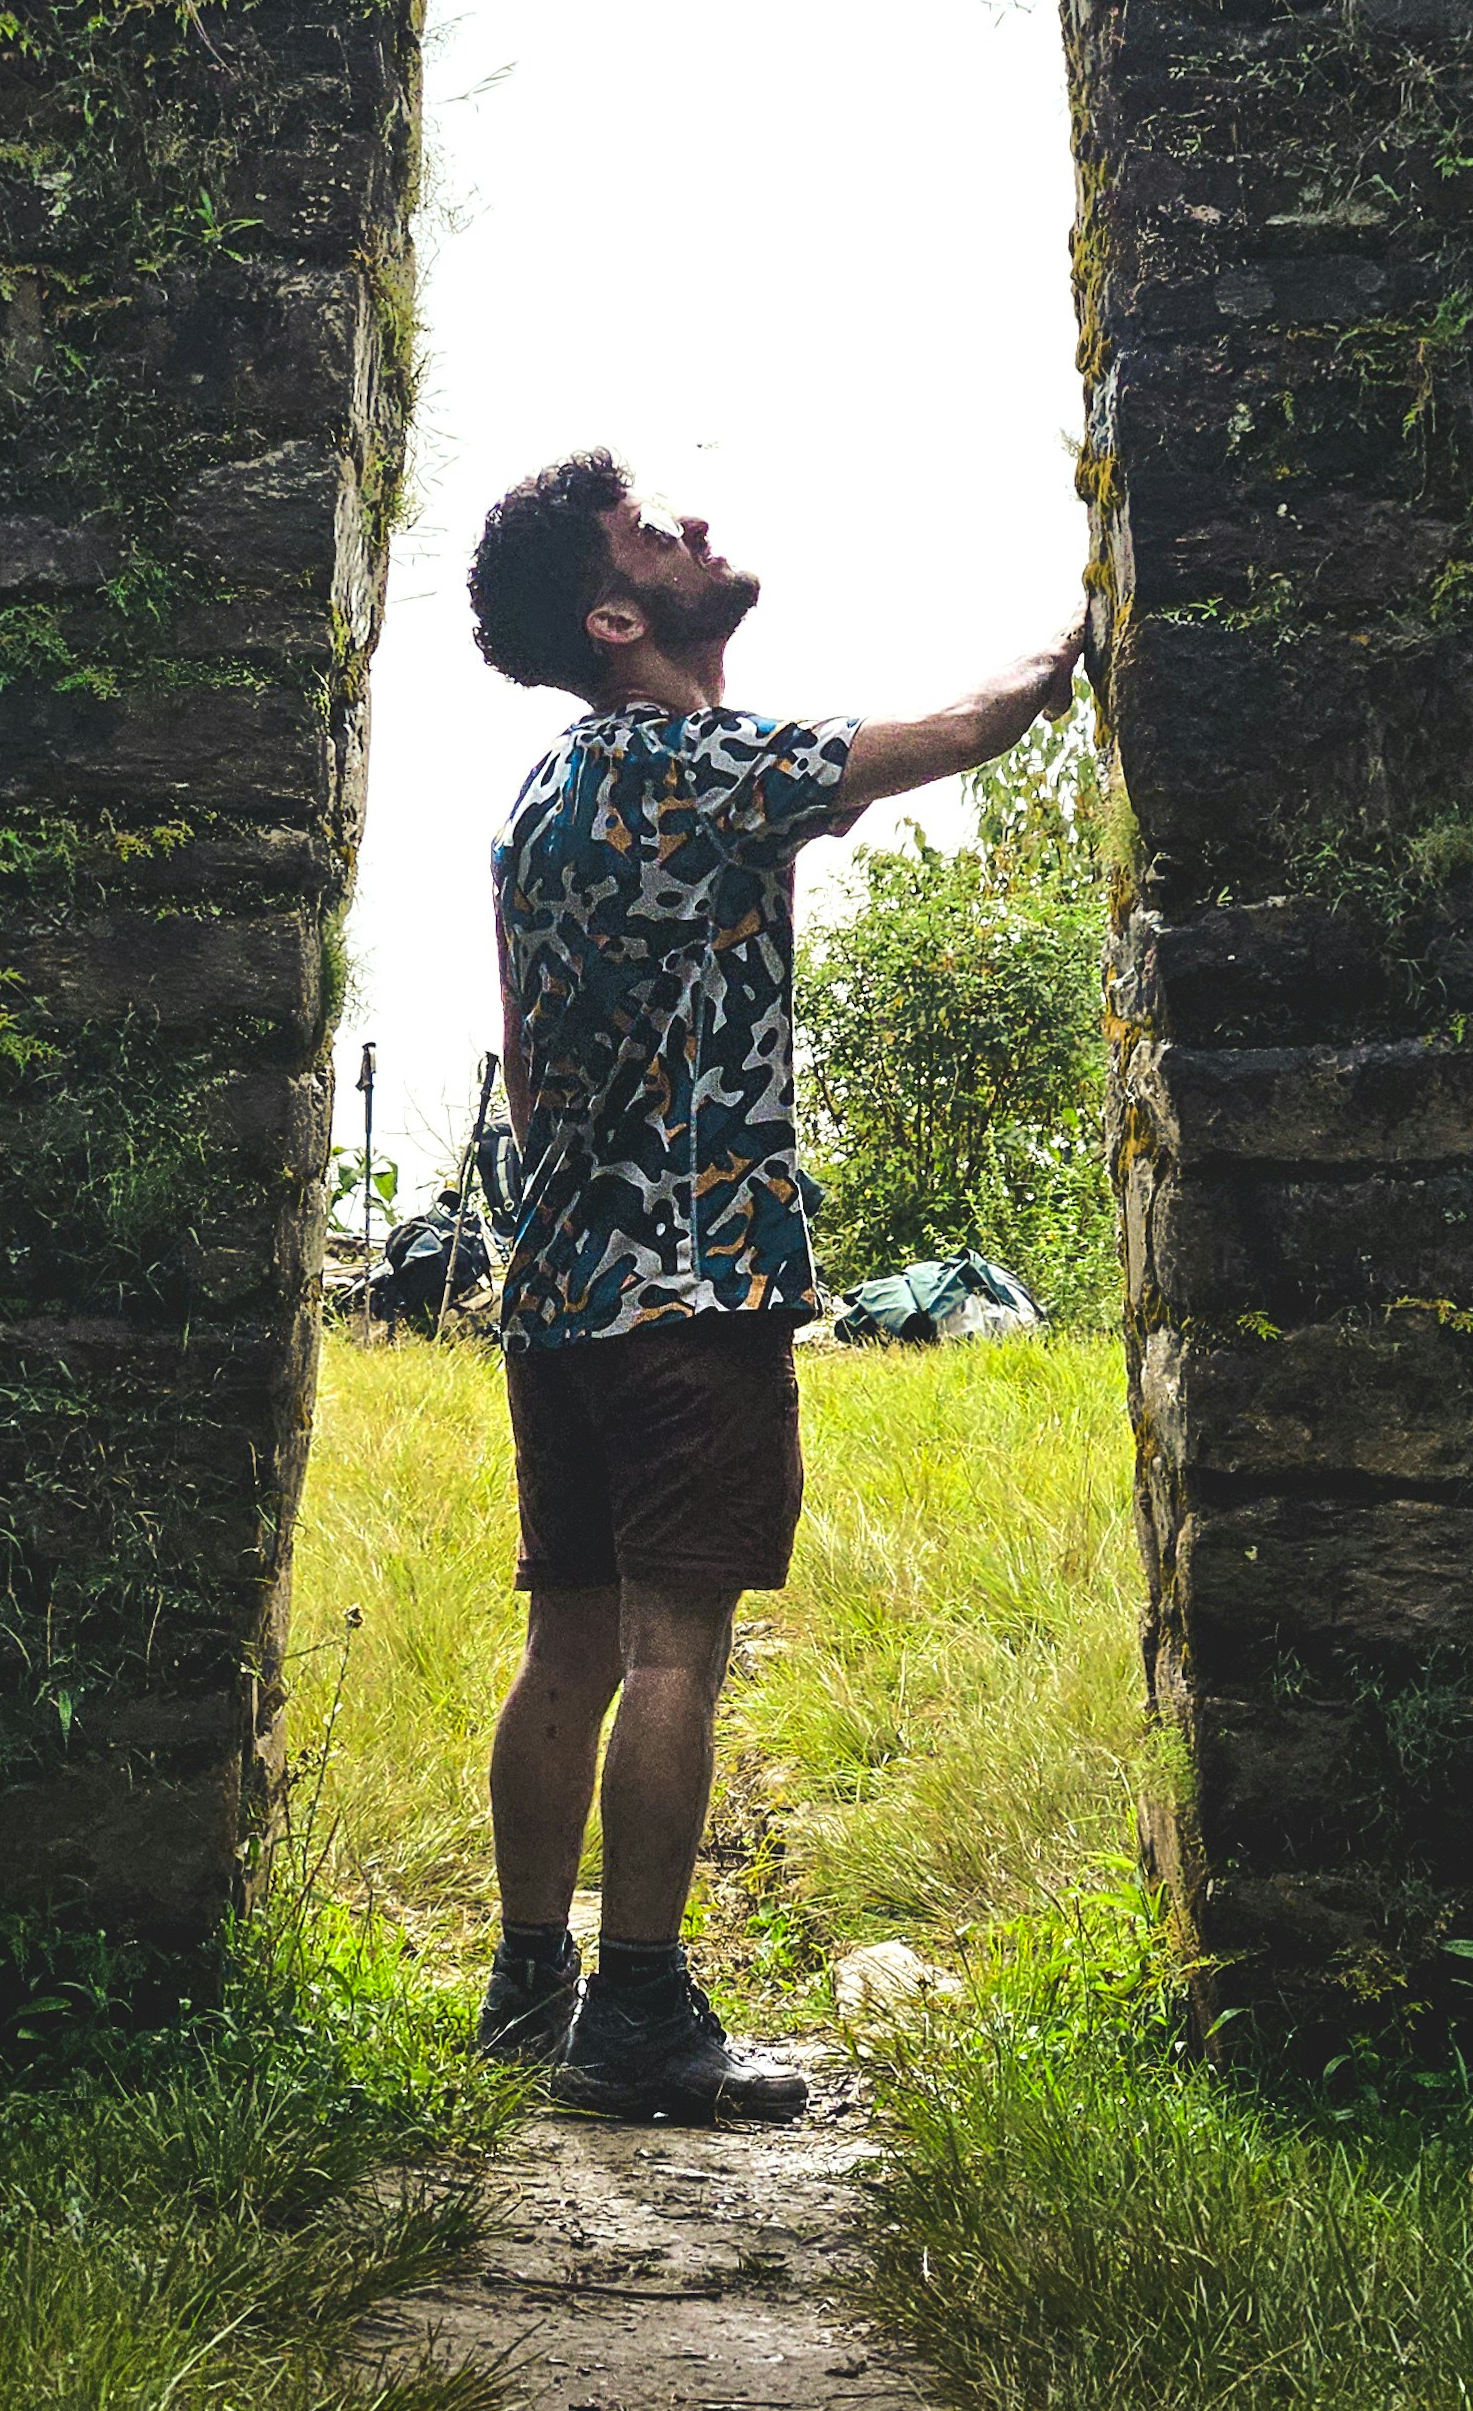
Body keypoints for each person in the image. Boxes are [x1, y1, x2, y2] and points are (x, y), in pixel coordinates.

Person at [463, 445, 1081, 2124]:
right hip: (692, 1289)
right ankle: (644, 2014)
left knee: (567, 1644)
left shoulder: (542, 797)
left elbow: (524, 1070)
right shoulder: (702, 762)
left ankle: (528, 1985)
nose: (697, 531)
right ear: (612, 612)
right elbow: (956, 735)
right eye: (654, 533)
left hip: (562, 1287)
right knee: (677, 1652)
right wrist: (1071, 638)